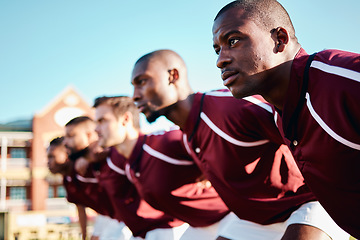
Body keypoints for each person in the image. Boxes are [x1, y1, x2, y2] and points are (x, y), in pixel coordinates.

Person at [131, 49, 349, 240]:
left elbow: (310, 129)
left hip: (308, 202)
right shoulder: (186, 136)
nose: (135, 96)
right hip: (254, 220)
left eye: (142, 81)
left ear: (173, 76)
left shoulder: (233, 107)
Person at [212, 0, 360, 238]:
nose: (221, 60)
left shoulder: (340, 80)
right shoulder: (280, 113)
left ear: (280, 39)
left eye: (233, 41)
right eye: (217, 49)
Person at [89, 95, 230, 239]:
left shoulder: (162, 143)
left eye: (102, 121)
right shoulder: (128, 163)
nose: (96, 129)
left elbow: (214, 141)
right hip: (200, 226)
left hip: (233, 216)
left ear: (126, 119)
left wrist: (210, 168)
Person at [47, 136, 130, 240]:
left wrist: (87, 159)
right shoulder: (67, 180)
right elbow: (80, 208)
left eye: (51, 156)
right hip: (108, 214)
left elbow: (105, 150)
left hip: (125, 208)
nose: (48, 162)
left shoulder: (84, 165)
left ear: (66, 154)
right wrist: (84, 236)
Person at [63, 116, 131, 240]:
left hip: (147, 222)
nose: (65, 142)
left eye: (71, 136)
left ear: (89, 136)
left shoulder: (112, 154)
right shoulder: (76, 171)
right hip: (116, 219)